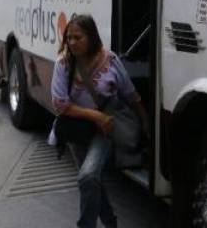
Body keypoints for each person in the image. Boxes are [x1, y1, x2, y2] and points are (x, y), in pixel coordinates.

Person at [48, 14, 149, 228]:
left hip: (105, 130)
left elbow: (131, 95)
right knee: (92, 180)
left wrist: (145, 122)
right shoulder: (63, 64)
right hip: (77, 129)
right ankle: (111, 222)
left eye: (78, 37)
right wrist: (95, 116)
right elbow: (60, 104)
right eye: (69, 38)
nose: (72, 43)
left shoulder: (110, 60)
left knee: (87, 176)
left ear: (92, 37)